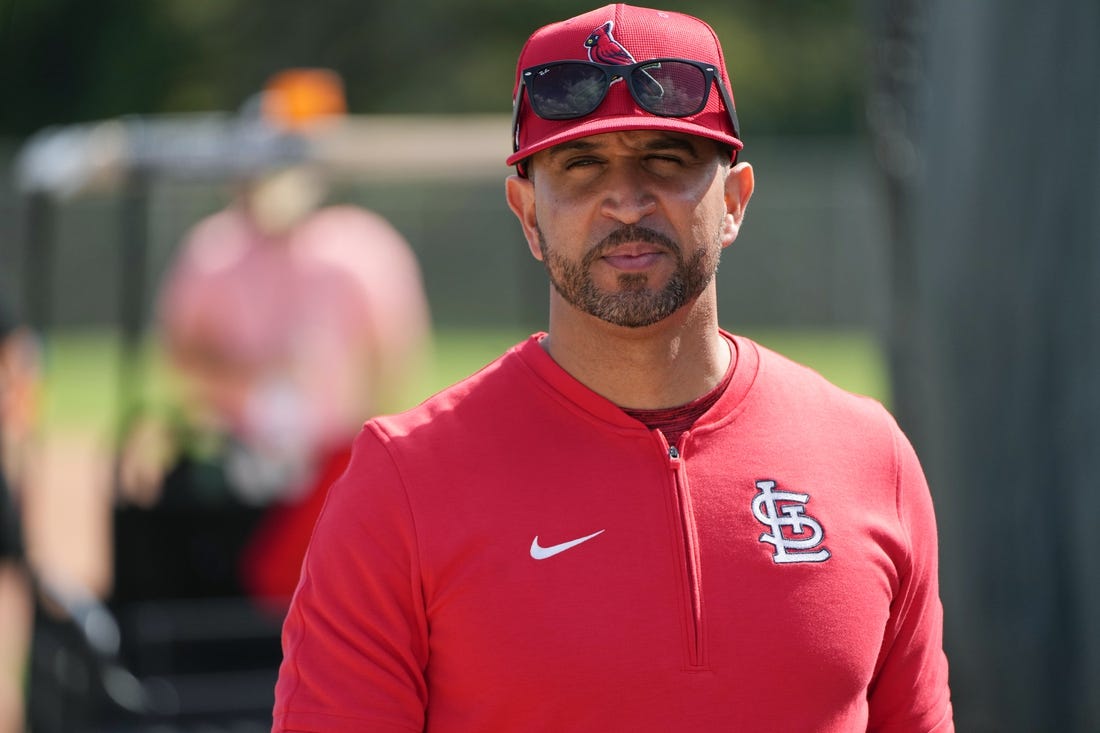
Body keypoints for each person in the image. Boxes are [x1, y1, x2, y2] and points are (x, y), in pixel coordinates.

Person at [272, 5, 954, 731]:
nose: (625, 200)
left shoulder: (869, 457)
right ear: (527, 214)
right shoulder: (402, 484)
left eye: (666, 158)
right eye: (581, 165)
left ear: (733, 201)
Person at [140, 69, 432, 605]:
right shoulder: (213, 250)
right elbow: (180, 350)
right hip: (239, 459)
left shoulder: (361, 248)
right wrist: (250, 373)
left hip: (334, 464)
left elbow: (394, 362)